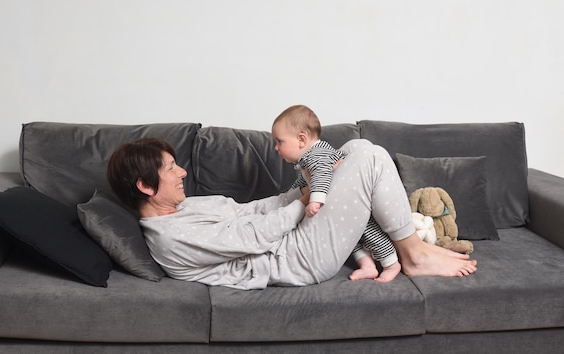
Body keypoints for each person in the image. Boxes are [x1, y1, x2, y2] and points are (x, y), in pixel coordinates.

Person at [107, 137, 477, 290]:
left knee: (353, 147)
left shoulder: (185, 207)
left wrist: (303, 191)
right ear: (145, 186)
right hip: (296, 259)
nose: (182, 173)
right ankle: (413, 254)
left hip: (291, 237)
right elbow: (252, 237)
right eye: (171, 169)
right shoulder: (169, 236)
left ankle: (407, 248)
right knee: (371, 157)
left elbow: (250, 210)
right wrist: (306, 201)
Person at [271, 104, 401, 282]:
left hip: (355, 203)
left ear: (301, 139)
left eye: (279, 142)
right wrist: (289, 197)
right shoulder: (307, 160)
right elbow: (303, 184)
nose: (276, 148)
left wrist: (315, 201)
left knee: (370, 233)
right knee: (351, 242)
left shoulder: (317, 154)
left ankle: (391, 263)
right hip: (341, 209)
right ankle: (368, 266)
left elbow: (322, 174)